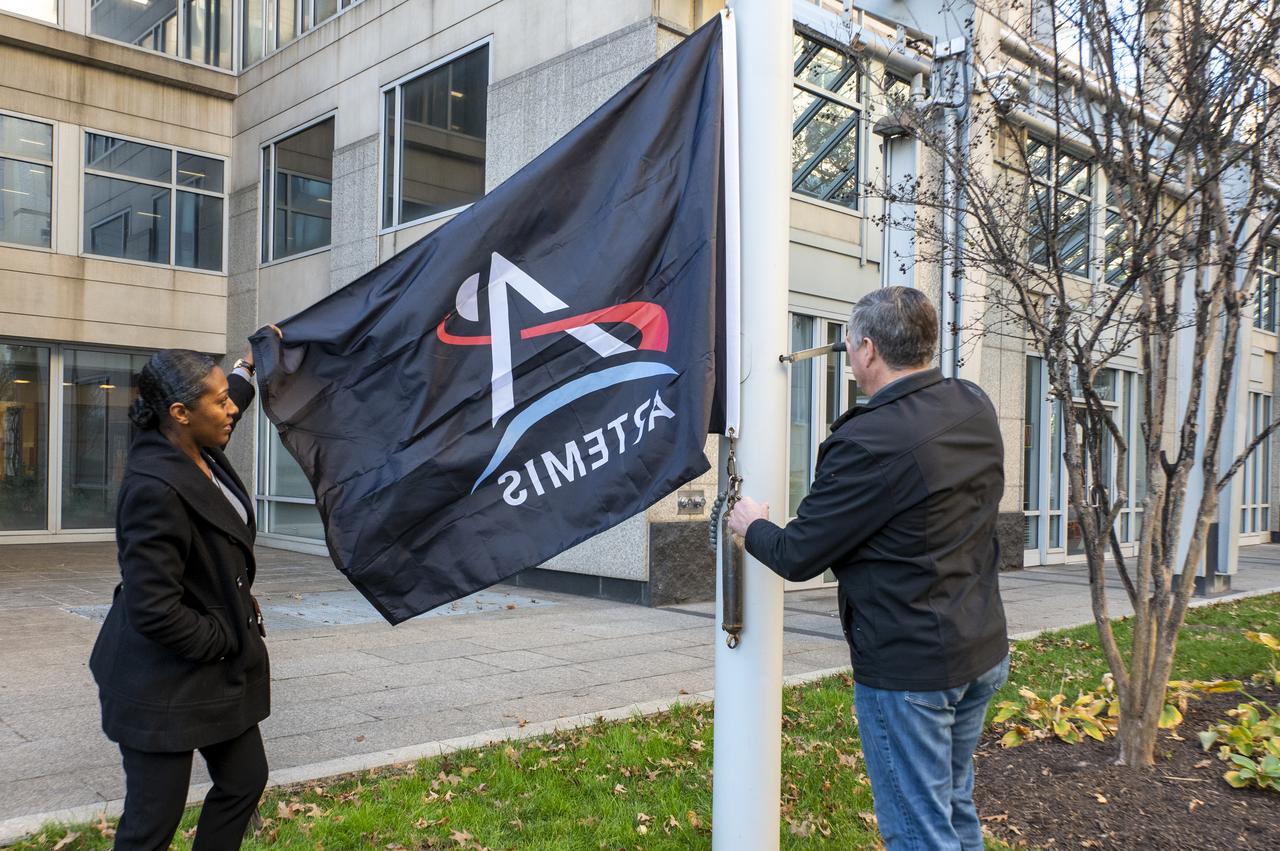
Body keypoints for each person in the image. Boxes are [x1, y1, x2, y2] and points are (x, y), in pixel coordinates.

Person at [728, 286, 1009, 851]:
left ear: (869, 350)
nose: (851, 355)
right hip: (980, 650)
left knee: (918, 832)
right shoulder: (973, 404)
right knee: (954, 810)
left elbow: (799, 555)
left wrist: (751, 524)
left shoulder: (868, 442)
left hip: (914, 672)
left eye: (853, 345)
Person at [90, 346, 269, 851]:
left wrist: (246, 370)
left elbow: (228, 397)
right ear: (180, 413)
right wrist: (227, 636)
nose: (230, 408)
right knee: (153, 822)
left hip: (208, 668)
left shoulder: (194, 442)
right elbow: (153, 609)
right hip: (158, 680)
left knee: (243, 780)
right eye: (218, 402)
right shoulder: (154, 487)